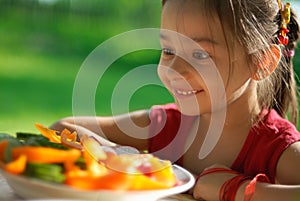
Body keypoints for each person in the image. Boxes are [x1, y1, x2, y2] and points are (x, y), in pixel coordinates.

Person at [51, 0, 300, 200]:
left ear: (262, 61)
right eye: (168, 50)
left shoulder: (277, 148)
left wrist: (237, 191)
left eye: (200, 54)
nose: (174, 69)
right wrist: (132, 159)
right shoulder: (167, 126)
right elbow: (63, 128)